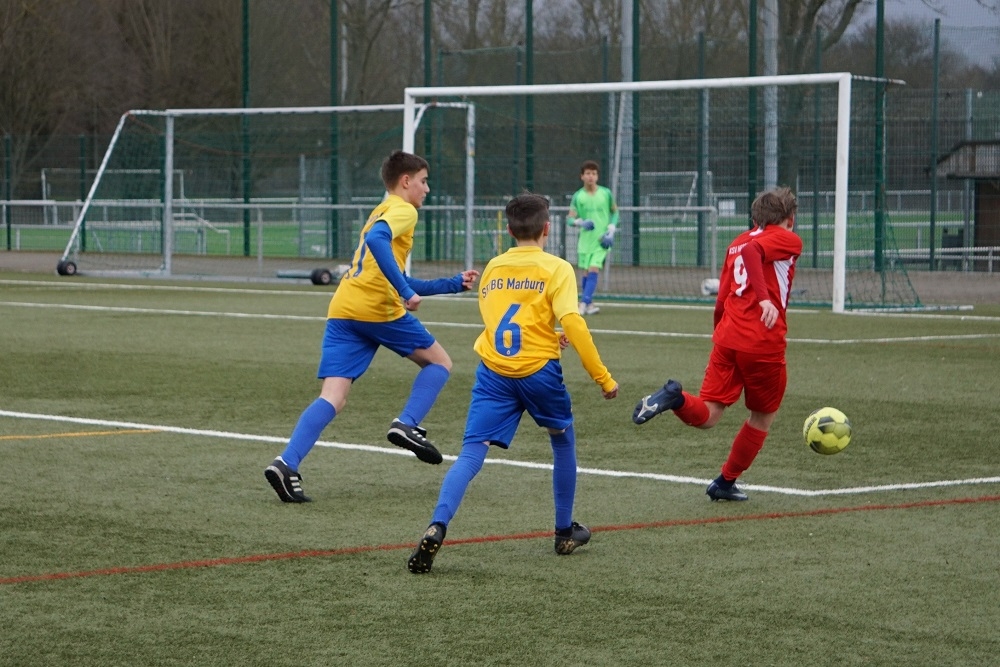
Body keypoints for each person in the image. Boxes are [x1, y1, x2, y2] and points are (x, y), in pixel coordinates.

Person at [407, 192, 619, 573]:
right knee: (562, 439)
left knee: (471, 453)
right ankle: (563, 531)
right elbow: (573, 322)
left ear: (508, 230)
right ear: (547, 229)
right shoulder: (557, 268)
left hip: (494, 372)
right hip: (538, 373)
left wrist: (546, 335)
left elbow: (503, 321)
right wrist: (602, 377)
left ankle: (437, 524)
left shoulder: (493, 268)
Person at [265, 150, 480, 503]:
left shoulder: (380, 210)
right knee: (440, 363)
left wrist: (452, 284)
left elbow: (389, 270)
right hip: (377, 309)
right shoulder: (403, 210)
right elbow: (379, 245)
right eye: (423, 181)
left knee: (333, 397)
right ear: (406, 181)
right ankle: (407, 423)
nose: (427, 189)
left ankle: (286, 463)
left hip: (344, 308)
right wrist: (406, 292)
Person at [631, 186, 802, 502]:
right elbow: (755, 253)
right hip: (761, 342)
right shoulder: (787, 238)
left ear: (755, 218)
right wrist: (764, 300)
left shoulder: (737, 242)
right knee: (762, 417)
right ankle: (725, 482)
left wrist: (721, 335)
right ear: (790, 219)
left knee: (709, 414)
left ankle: (675, 398)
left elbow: (722, 298)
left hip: (728, 337)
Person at [567, 160, 619, 315]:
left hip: (601, 241)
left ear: (597, 176)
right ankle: (589, 304)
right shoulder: (578, 196)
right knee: (585, 273)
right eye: (588, 173)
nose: (591, 176)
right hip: (585, 241)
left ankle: (583, 303)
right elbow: (569, 219)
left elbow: (615, 212)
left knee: (593, 268)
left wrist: (611, 228)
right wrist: (580, 222)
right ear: (582, 176)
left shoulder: (606, 193)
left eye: (594, 173)